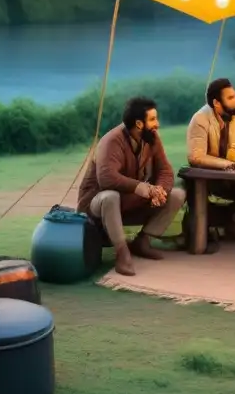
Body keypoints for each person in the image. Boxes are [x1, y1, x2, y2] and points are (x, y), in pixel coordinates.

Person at [77, 96, 186, 277]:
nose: (157, 124)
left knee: (177, 195)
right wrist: (142, 188)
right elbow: (106, 178)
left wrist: (160, 191)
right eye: (152, 119)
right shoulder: (112, 141)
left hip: (129, 202)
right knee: (111, 196)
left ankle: (143, 242)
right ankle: (122, 252)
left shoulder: (151, 138)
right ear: (139, 123)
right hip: (97, 205)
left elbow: (165, 171)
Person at [183, 78, 235, 243]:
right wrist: (226, 164)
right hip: (207, 177)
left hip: (234, 176)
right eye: (231, 98)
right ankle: (201, 229)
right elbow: (196, 156)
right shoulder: (200, 119)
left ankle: (234, 226)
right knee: (196, 194)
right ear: (217, 103)